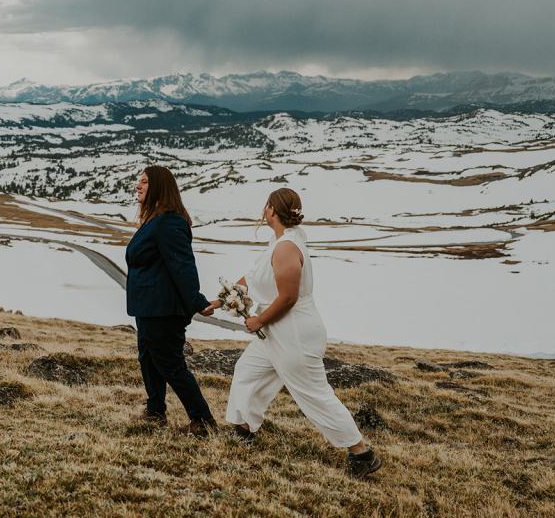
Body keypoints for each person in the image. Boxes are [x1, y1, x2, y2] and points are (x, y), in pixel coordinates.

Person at [212, 187, 383, 478]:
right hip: (278, 331)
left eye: (266, 206)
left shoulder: (287, 247)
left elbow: (288, 296)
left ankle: (361, 452)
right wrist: (221, 300)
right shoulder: (280, 241)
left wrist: (259, 320)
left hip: (295, 332)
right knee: (248, 372)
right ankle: (243, 429)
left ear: (272, 211)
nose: (263, 211)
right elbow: (254, 277)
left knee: (313, 394)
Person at [125, 165, 219, 437]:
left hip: (163, 309)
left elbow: (182, 265)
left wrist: (197, 301)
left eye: (144, 182)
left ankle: (203, 421)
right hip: (149, 307)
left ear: (159, 187)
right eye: (138, 182)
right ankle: (155, 411)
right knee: (148, 358)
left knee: (170, 363)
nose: (138, 186)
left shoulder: (169, 221)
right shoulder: (155, 219)